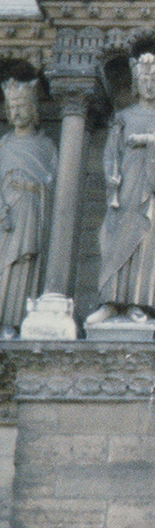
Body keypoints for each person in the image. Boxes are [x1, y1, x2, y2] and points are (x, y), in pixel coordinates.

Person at [93, 51, 155, 322]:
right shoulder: (123, 117)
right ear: (136, 83)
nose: (149, 85)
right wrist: (111, 176)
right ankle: (110, 301)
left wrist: (152, 140)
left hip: (153, 194)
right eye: (144, 80)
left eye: (154, 80)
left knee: (146, 244)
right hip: (124, 190)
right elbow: (110, 154)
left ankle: (138, 302)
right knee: (114, 240)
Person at [0, 77, 55, 337]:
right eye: (12, 107)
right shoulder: (3, 145)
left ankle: (12, 320)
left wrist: (34, 188)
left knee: (22, 265)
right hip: (4, 216)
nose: (17, 112)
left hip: (30, 213)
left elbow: (56, 186)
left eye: (21, 106)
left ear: (33, 108)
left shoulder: (46, 147)